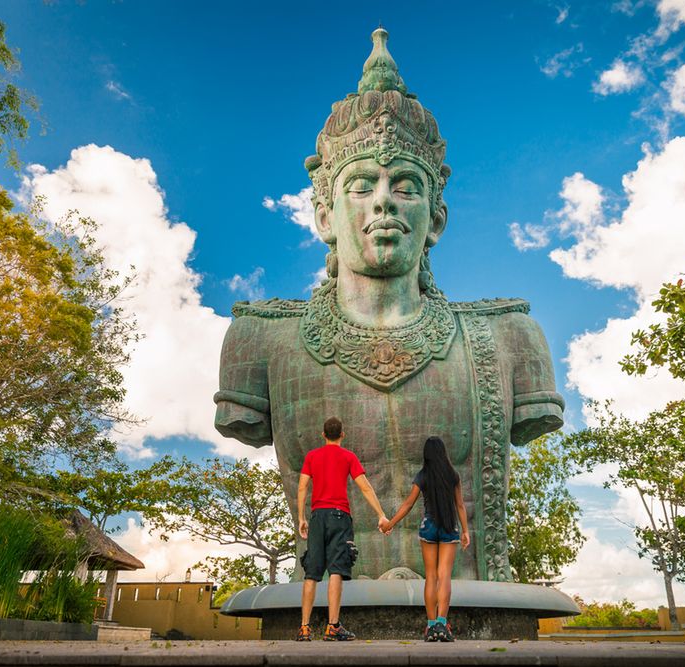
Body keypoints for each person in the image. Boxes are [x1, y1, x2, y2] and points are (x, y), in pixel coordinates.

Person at [214, 27, 563, 582]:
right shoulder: (261, 340)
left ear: (436, 219)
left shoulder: (508, 337)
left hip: (472, 604)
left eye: (405, 184)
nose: (383, 199)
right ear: (325, 218)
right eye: (360, 185)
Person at [296, 416, 388, 641]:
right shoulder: (348, 456)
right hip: (339, 516)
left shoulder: (312, 456)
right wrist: (381, 514)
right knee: (336, 570)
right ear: (342, 435)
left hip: (317, 516)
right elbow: (365, 487)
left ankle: (305, 628)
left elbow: (302, 487)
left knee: (311, 572)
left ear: (323, 435)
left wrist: (301, 518)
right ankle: (332, 626)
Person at [382, 436, 470, 641]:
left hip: (429, 527)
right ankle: (441, 624)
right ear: (443, 453)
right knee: (444, 576)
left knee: (430, 576)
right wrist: (465, 531)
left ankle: (430, 627)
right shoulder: (453, 475)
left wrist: (390, 523)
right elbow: (460, 505)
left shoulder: (422, 475)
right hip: (449, 527)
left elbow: (408, 504)